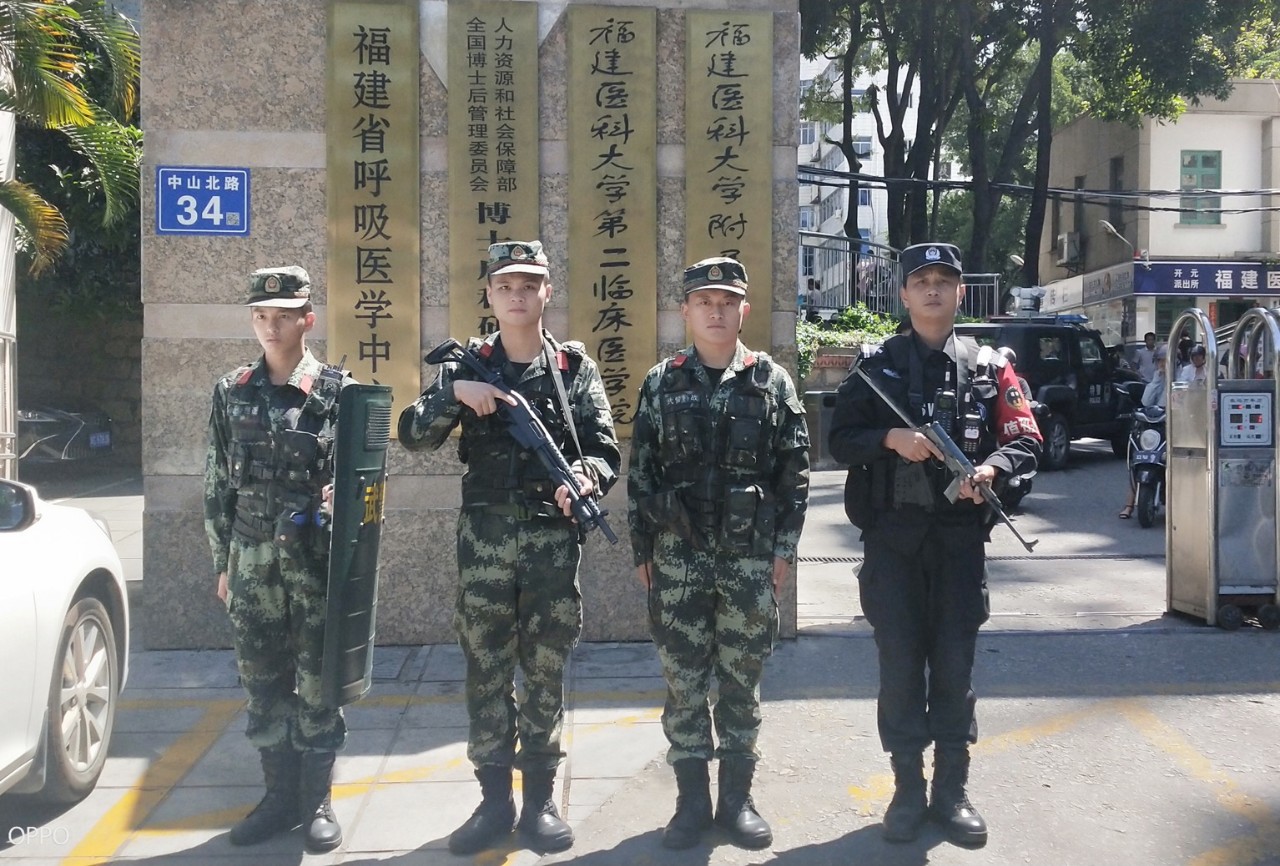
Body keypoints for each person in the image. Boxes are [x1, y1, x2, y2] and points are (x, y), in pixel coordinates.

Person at [398, 240, 620, 856]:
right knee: (486, 670)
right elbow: (412, 436)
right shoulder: (465, 365)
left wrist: (588, 479)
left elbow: (604, 449)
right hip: (485, 544)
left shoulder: (574, 368)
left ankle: (541, 799)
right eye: (506, 286)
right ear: (490, 294)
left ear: (547, 292)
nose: (518, 295)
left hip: (552, 543)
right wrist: (454, 395)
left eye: (530, 285)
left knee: (545, 670)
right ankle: (494, 803)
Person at [828, 243, 1041, 848]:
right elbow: (839, 440)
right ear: (902, 294)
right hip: (893, 541)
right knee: (899, 670)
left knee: (953, 668)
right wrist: (892, 437)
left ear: (960, 294)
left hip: (957, 543)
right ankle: (906, 788)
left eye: (944, 281)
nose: (931, 291)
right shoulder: (875, 365)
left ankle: (952, 791)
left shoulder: (990, 365)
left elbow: (1026, 436)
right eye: (920, 281)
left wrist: (992, 471)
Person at [627, 256, 810, 851]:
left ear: (743, 311)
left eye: (727, 301)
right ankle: (689, 803)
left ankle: (736, 800)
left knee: (740, 681)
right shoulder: (661, 381)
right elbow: (642, 474)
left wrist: (783, 550)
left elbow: (794, 472)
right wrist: (641, 551)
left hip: (749, 559)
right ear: (685, 310)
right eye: (704, 301)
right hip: (677, 558)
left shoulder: (771, 381)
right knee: (683, 681)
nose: (715, 310)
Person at [204, 265, 354, 852]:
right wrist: (224, 561)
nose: (271, 326)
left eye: (284, 315)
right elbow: (217, 480)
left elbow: (363, 479)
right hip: (251, 562)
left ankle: (317, 799)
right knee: (263, 682)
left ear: (306, 319)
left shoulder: (338, 393)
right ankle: (278, 798)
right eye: (261, 316)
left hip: (313, 564)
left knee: (317, 683)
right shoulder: (231, 390)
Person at [1120, 344, 1169, 519]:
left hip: (1173, 427)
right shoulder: (1156, 377)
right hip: (1153, 426)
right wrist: (1158, 378)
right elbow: (1146, 401)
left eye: (1166, 361)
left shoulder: (1181, 378)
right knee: (1137, 460)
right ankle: (1129, 505)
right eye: (1160, 361)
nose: (1163, 364)